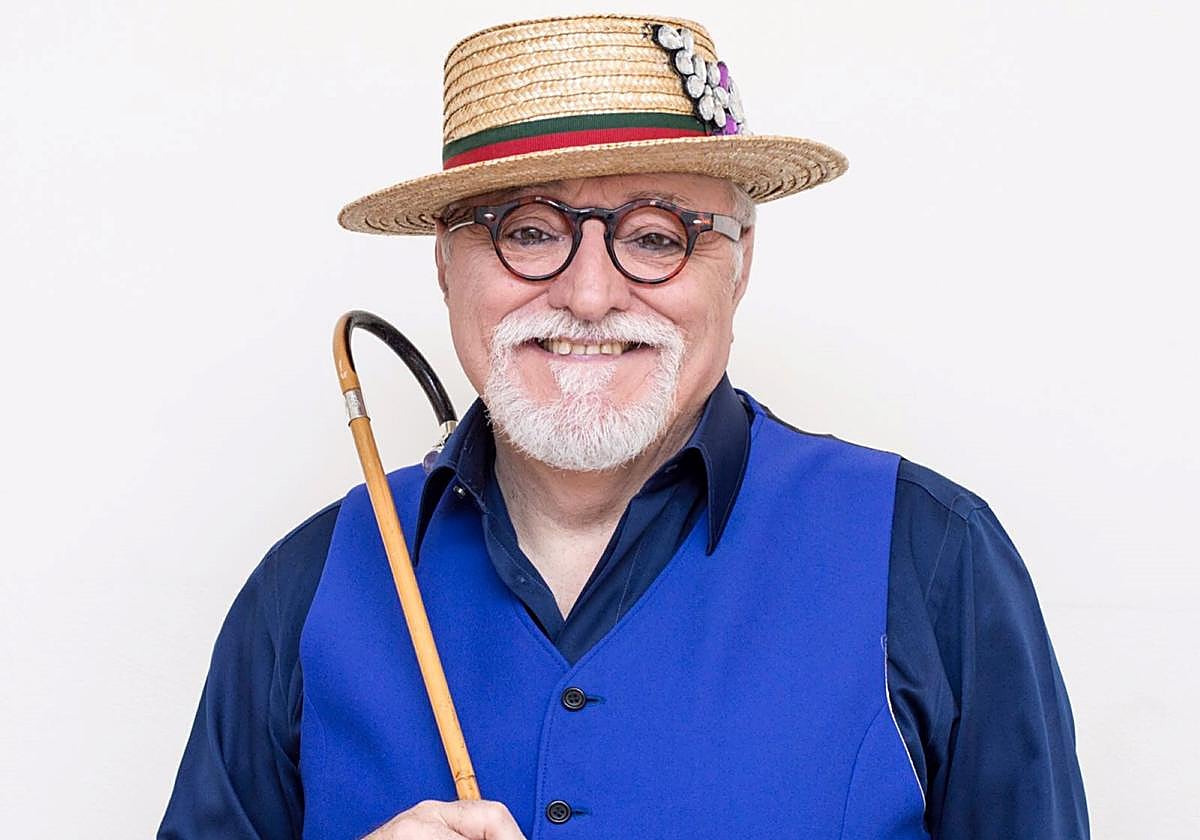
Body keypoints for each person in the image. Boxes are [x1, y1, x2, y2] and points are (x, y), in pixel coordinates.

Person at [160, 14, 1088, 839]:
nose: (591, 294)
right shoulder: (305, 585)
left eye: (656, 236)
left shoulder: (932, 558)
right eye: (527, 231)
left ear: (740, 265)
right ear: (446, 266)